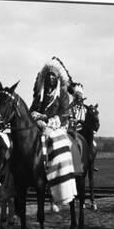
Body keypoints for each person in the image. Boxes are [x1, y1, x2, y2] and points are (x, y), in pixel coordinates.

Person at [30, 57, 77, 206]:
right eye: (48, 74)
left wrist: (47, 119)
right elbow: (33, 109)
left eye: (53, 75)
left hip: (57, 125)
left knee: (57, 144)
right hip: (40, 125)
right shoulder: (41, 93)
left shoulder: (62, 94)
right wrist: (36, 116)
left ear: (57, 78)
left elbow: (64, 113)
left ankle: (57, 176)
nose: (50, 77)